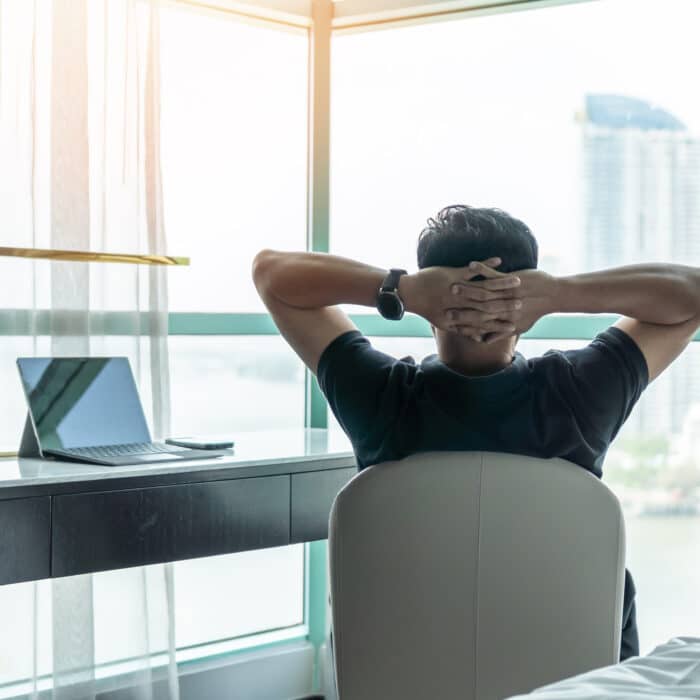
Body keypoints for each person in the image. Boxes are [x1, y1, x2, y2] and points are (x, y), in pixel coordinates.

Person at [252, 204, 700, 661]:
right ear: (528, 307)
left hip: (406, 670)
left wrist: (399, 288)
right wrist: (561, 293)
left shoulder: (378, 396)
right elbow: (694, 294)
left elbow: (271, 274)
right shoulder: (581, 392)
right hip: (581, 679)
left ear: (427, 310)